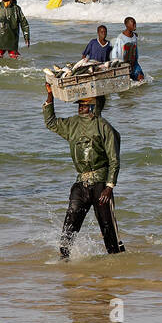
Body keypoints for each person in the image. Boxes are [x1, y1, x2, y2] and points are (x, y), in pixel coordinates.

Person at [43, 86, 125, 260]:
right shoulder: (72, 124)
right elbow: (50, 123)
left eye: (85, 105)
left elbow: (114, 160)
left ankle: (117, 265)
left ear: (94, 106)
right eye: (79, 104)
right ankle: (64, 259)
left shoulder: (105, 127)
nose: (80, 107)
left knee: (108, 229)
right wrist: (50, 96)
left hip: (101, 185)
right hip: (81, 184)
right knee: (70, 225)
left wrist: (109, 187)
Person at [112, 17, 144, 81]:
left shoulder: (134, 36)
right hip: (125, 65)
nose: (135, 25)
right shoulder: (120, 38)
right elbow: (115, 53)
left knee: (141, 79)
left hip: (134, 64)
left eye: (135, 23)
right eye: (133, 23)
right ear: (127, 25)